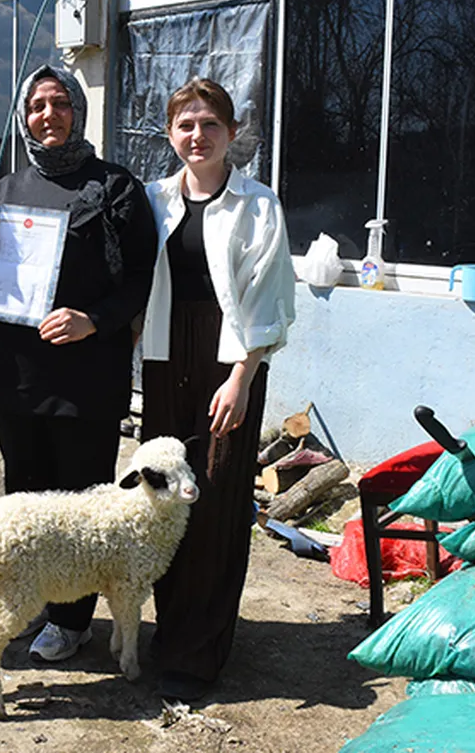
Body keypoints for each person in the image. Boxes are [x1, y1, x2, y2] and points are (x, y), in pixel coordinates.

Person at [0, 64, 157, 663]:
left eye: (59, 102)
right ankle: (28, 603)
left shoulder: (115, 186)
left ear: (78, 109)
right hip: (17, 375)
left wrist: (93, 320)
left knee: (78, 508)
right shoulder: (7, 187)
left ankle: (73, 621)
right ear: (25, 117)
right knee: (25, 501)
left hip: (86, 379)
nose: (47, 114)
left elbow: (140, 278)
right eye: (36, 106)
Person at [139, 77, 296, 701]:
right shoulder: (154, 199)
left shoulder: (259, 205)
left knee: (215, 497)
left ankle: (201, 650)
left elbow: (268, 299)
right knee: (165, 497)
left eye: (209, 124)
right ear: (170, 134)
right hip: (164, 356)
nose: (197, 135)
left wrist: (240, 378)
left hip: (229, 361)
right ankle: (171, 630)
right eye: (185, 125)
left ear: (232, 133)